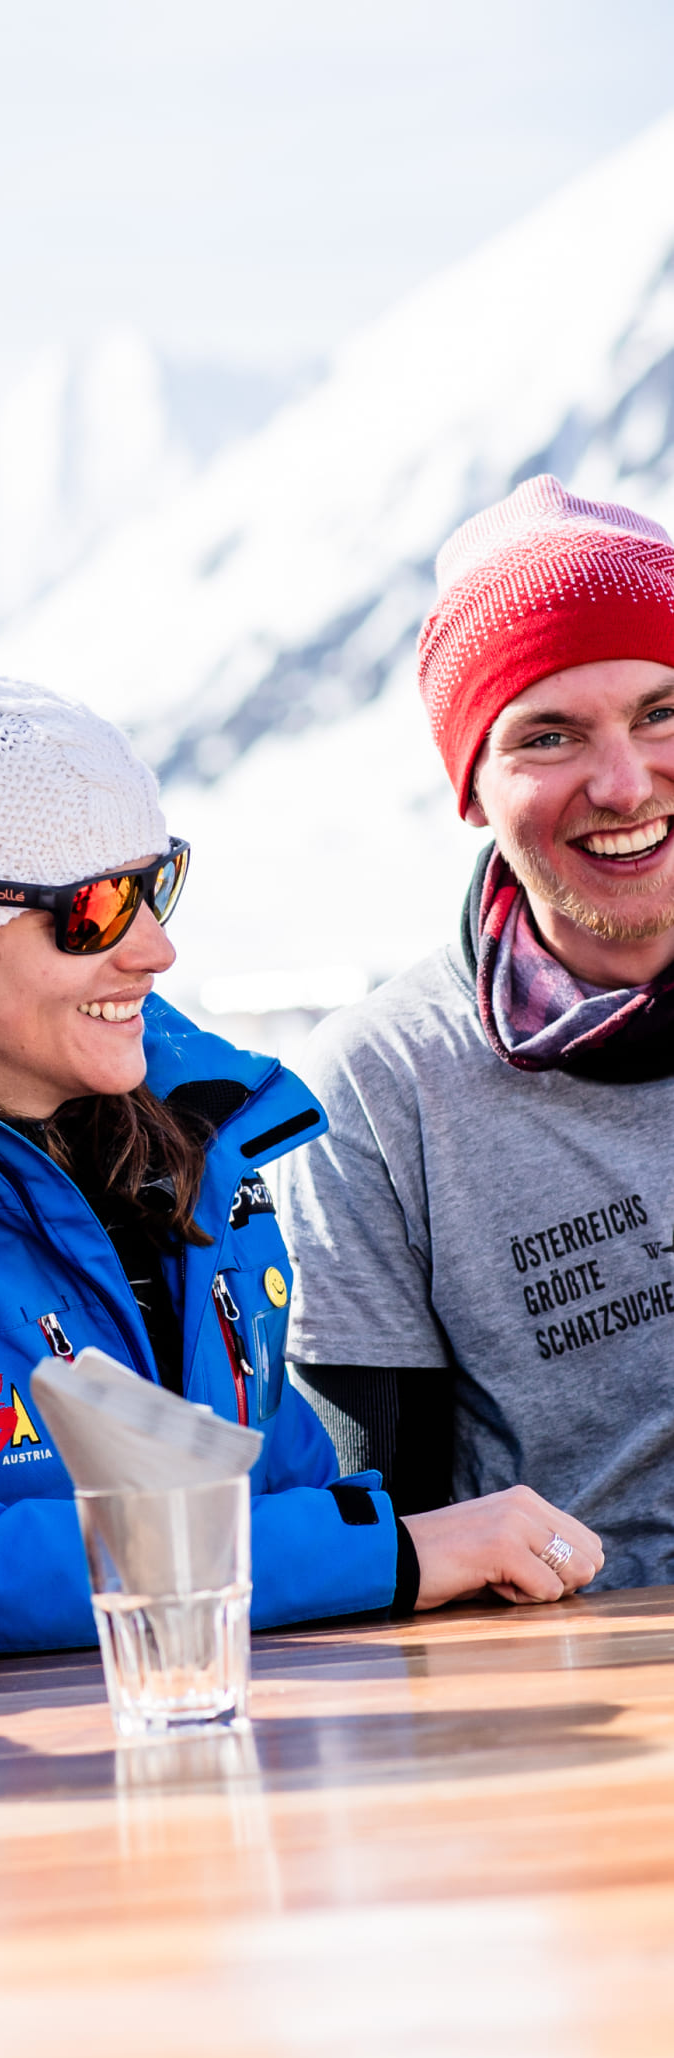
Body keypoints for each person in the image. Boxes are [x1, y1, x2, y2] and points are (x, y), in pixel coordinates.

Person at [0, 608, 600, 1666]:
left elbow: (284, 1499)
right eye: (95, 908)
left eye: (157, 882)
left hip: (247, 1739)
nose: (156, 946)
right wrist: (391, 1556)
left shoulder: (199, 1130)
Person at [281, 476, 674, 1587]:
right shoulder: (378, 1093)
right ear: (471, 790)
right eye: (549, 736)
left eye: (662, 711)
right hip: (582, 1707)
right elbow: (374, 1542)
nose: (624, 780)